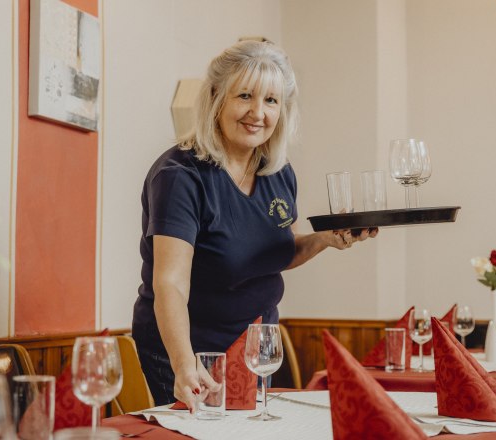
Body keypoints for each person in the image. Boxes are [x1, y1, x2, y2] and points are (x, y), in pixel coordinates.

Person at [132, 40, 377, 409]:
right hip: (191, 350)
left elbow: (278, 252)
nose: (258, 113)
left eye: (271, 101)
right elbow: (170, 282)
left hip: (256, 350)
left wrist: (323, 240)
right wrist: (184, 364)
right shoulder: (180, 175)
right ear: (216, 98)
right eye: (245, 96)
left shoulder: (278, 172)